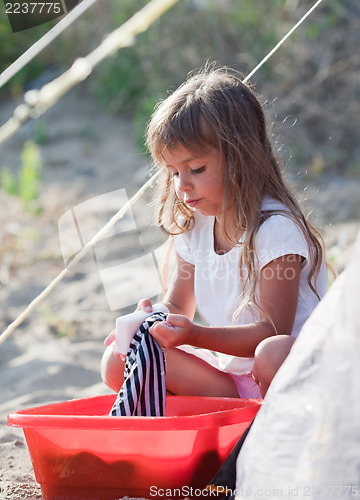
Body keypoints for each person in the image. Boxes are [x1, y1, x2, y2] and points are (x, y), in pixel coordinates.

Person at [101, 66, 328, 400]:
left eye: (195, 169)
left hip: (286, 376)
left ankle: (265, 432)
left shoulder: (276, 230)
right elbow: (178, 304)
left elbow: (272, 331)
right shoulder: (194, 226)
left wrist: (194, 335)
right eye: (173, 172)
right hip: (231, 379)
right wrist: (148, 324)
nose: (182, 186)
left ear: (240, 158)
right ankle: (228, 422)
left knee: (272, 352)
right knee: (117, 362)